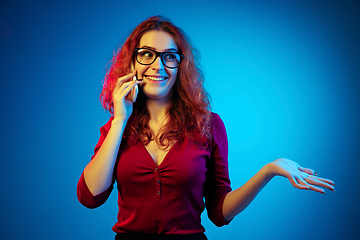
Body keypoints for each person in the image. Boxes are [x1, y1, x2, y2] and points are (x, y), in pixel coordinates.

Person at [77, 15, 335, 240]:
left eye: (169, 56)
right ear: (132, 62)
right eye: (147, 54)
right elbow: (91, 197)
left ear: (181, 65)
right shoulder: (117, 127)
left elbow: (219, 212)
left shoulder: (209, 125)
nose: (157, 65)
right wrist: (121, 119)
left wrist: (268, 171)